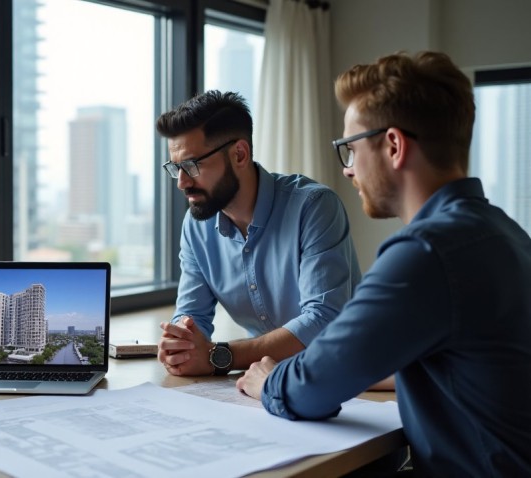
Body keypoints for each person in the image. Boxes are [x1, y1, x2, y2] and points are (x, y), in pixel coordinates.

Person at [238, 51, 531, 475]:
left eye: (350, 150)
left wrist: (270, 381)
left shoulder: (426, 252)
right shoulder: (505, 233)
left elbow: (311, 389)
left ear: (393, 145)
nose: (348, 171)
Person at [155, 90, 361, 377]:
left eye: (191, 165)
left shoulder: (313, 207)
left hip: (344, 376)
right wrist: (182, 344)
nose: (182, 182)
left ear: (239, 154)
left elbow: (322, 321)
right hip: (260, 380)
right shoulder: (196, 225)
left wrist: (219, 356)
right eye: (176, 168)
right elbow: (193, 316)